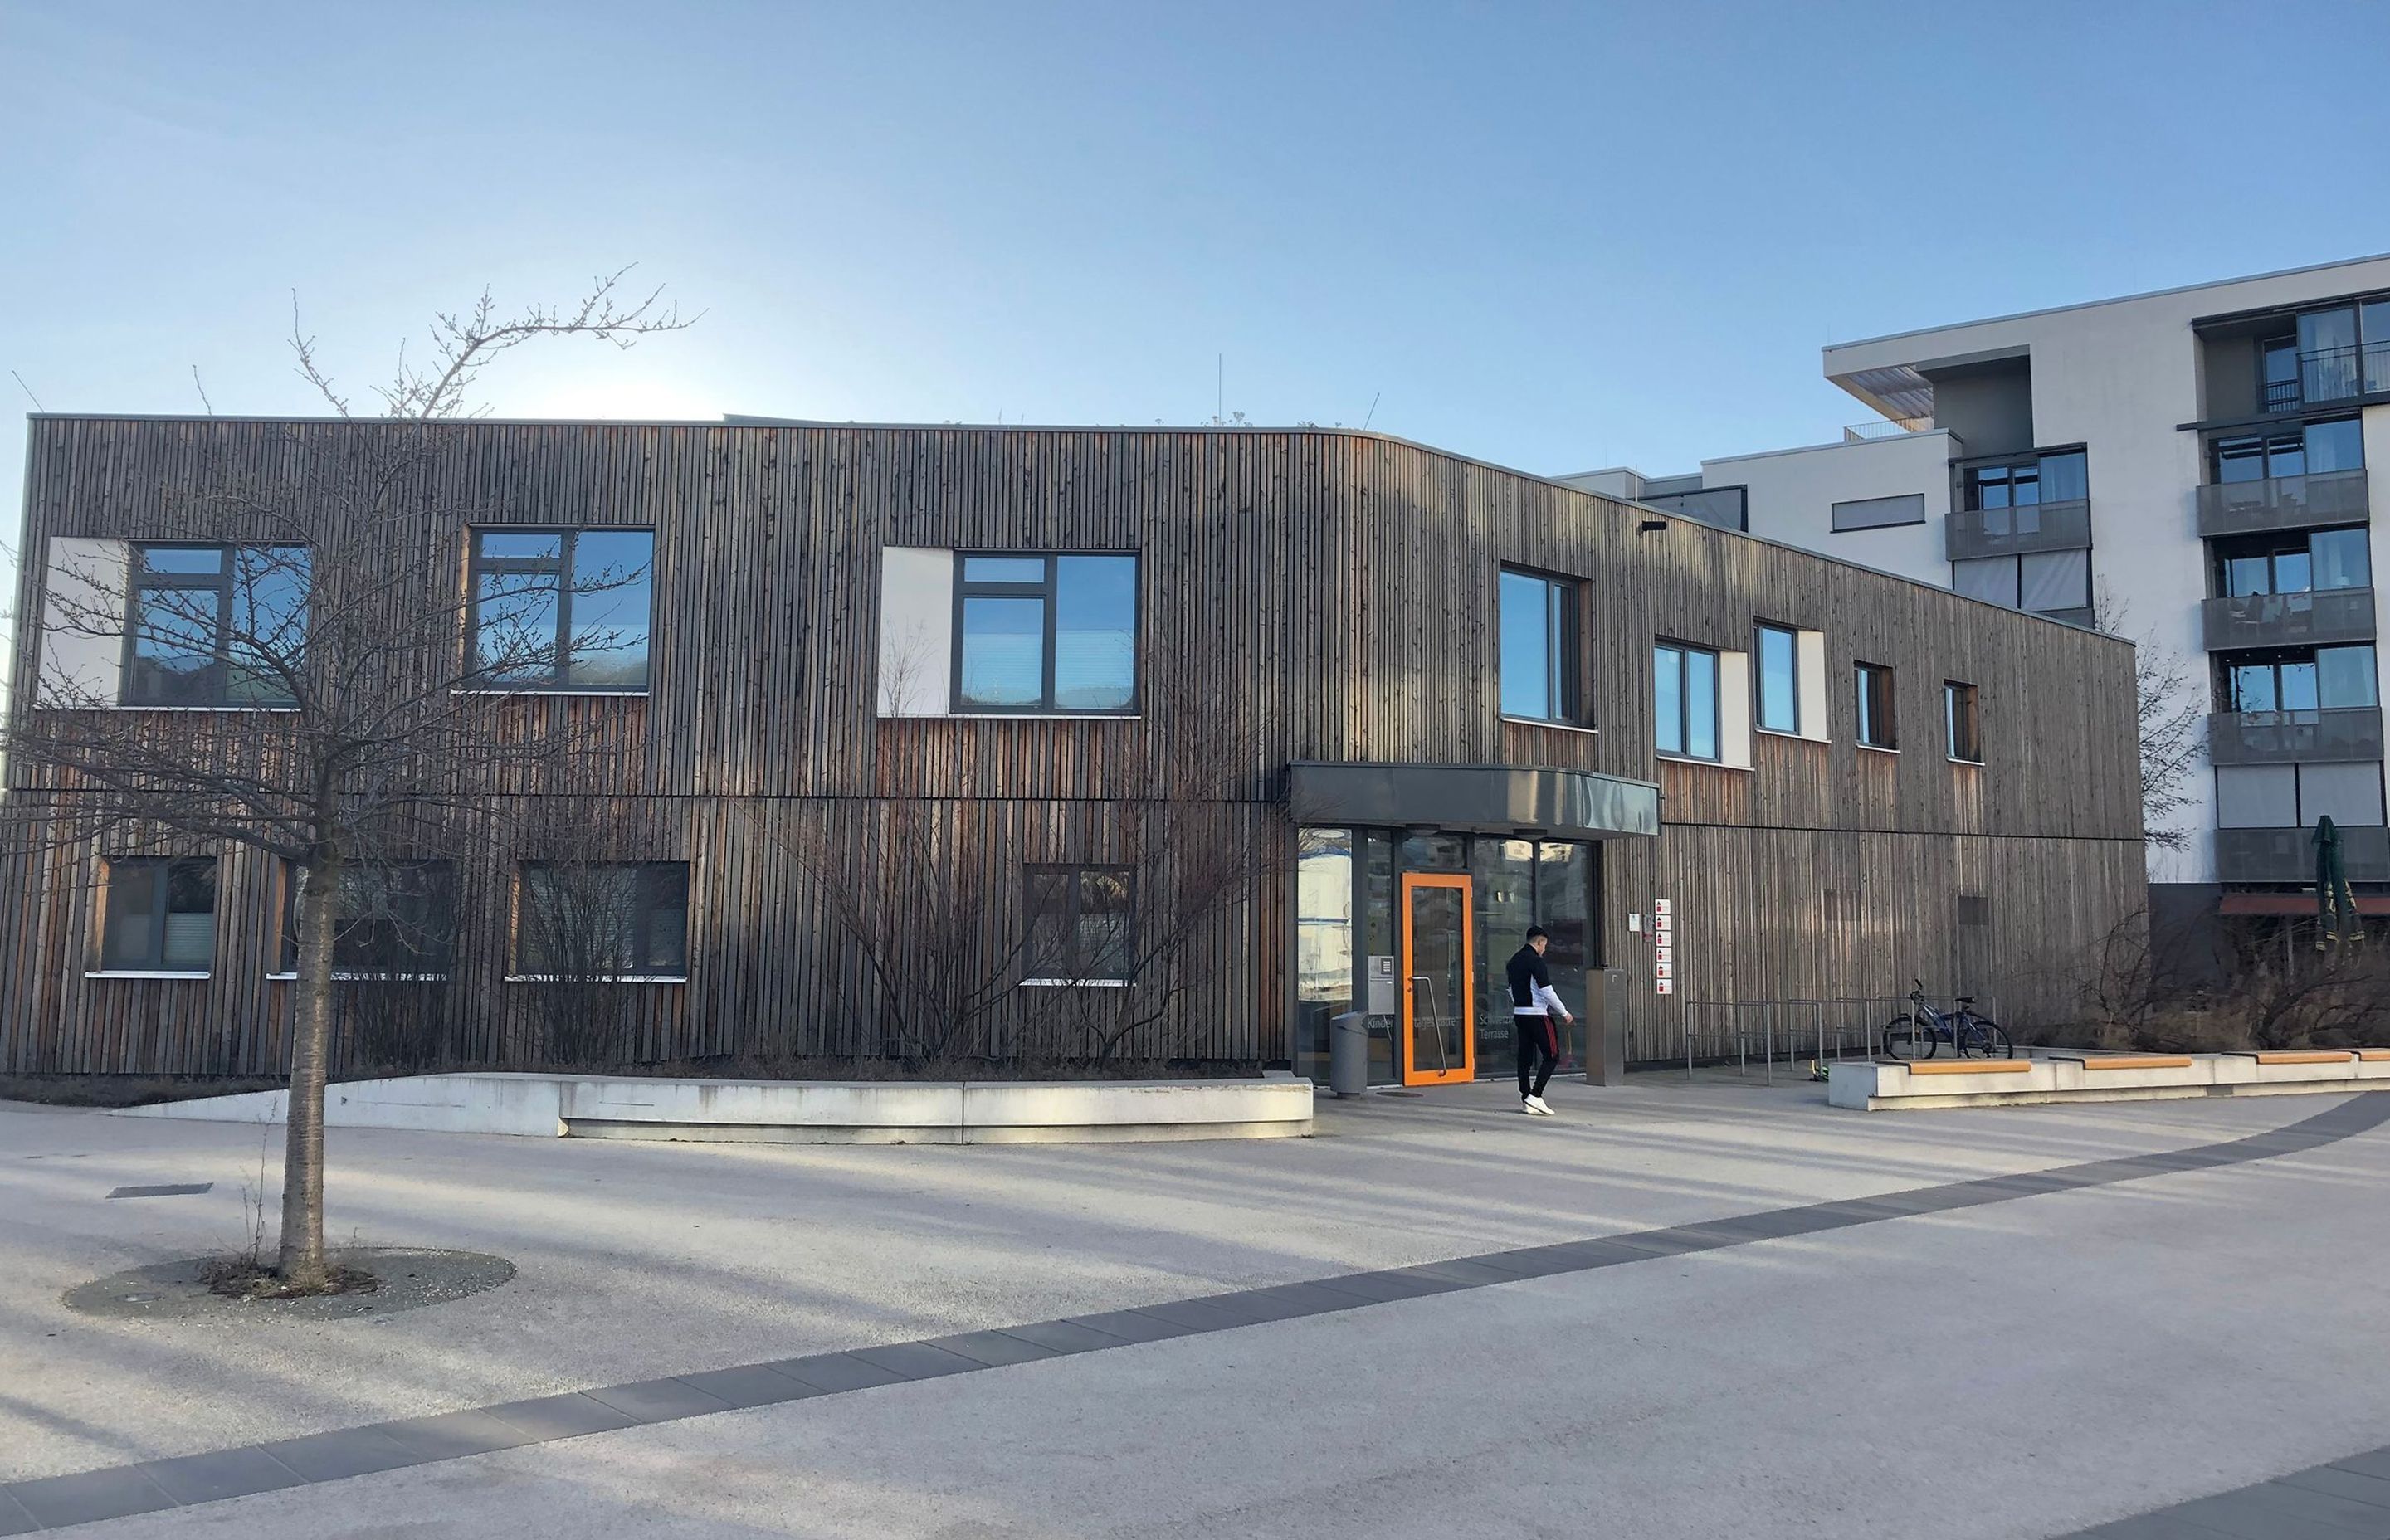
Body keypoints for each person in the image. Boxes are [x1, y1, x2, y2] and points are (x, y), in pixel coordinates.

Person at [1505, 926, 1573, 1115]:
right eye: (1544, 946)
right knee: (1552, 1055)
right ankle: (1536, 1095)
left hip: (1520, 1013)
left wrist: (1519, 1004)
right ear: (1539, 942)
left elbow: (1510, 989)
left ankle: (1526, 1097)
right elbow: (1546, 990)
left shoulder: (1513, 961)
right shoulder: (1536, 961)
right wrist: (1564, 1012)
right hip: (1538, 1015)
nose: (1544, 950)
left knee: (1524, 1056)